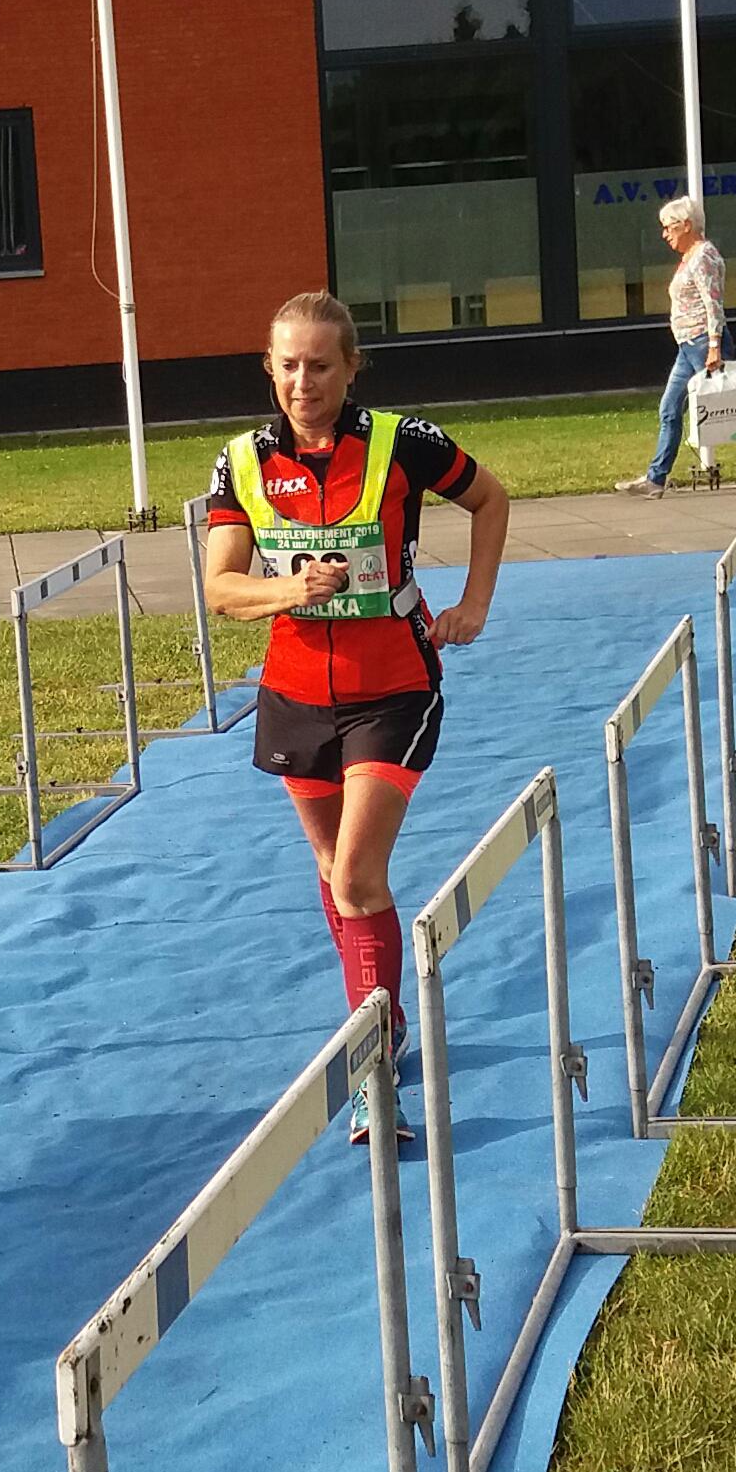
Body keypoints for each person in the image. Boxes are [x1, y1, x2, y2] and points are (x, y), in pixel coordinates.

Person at [204, 290, 510, 1145]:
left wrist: (474, 603)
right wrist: (288, 590)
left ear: (351, 369)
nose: (303, 382)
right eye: (288, 365)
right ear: (269, 370)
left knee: (356, 877)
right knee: (333, 869)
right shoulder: (241, 462)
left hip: (393, 688)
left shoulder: (403, 442)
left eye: (320, 365)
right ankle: (381, 1014)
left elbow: (492, 499)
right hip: (295, 693)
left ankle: (372, 1069)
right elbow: (220, 587)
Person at [615, 196, 736, 499]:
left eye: (668, 227)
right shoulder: (691, 257)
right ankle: (656, 479)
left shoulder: (703, 256)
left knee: (728, 406)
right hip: (688, 346)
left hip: (703, 343)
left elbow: (713, 303)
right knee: (670, 409)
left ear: (687, 225)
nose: (664, 234)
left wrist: (714, 346)